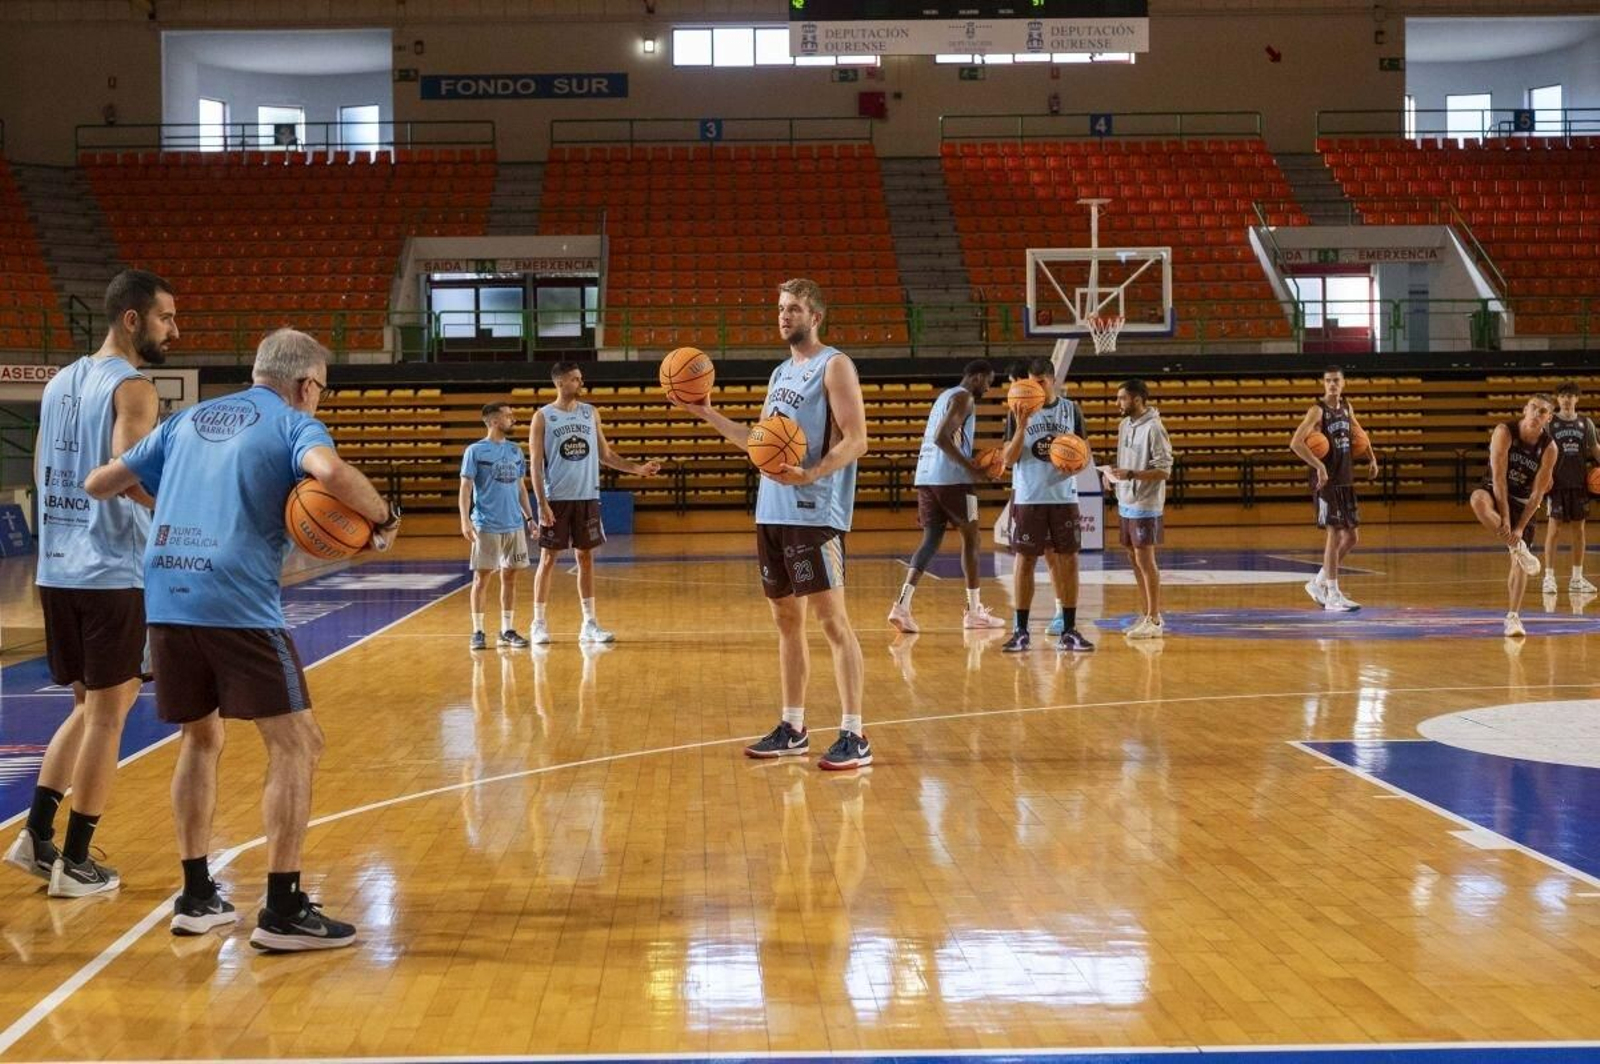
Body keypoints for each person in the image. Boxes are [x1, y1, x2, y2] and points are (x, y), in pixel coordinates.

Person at [85, 328, 401, 949]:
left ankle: (197, 896)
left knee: (201, 738)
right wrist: (384, 520)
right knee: (298, 744)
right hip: (235, 599)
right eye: (323, 390)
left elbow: (101, 482)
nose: (320, 400)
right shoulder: (292, 423)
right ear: (307, 384)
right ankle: (282, 910)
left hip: (167, 592)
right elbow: (330, 473)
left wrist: (174, 504)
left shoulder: (190, 419)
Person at [3, 270, 174, 898]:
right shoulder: (133, 387)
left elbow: (50, 468)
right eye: (165, 318)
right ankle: (76, 862)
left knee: (87, 709)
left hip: (58, 567)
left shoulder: (60, 381)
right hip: (109, 569)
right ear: (132, 319)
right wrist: (179, 509)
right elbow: (125, 474)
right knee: (109, 716)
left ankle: (37, 837)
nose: (173, 330)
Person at [673, 279, 872, 770]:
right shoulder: (782, 372)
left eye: (795, 309)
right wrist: (707, 413)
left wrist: (813, 472)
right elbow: (758, 441)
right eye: (782, 309)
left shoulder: (835, 365)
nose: (785, 316)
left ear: (815, 317)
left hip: (814, 511)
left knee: (833, 622)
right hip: (772, 511)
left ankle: (855, 733)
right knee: (787, 622)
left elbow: (857, 439)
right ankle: (793, 727)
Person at [528, 361, 660, 645]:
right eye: (575, 379)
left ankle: (589, 623)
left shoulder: (590, 413)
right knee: (548, 559)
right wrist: (541, 503)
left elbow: (606, 454)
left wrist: (638, 469)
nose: (581, 382)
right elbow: (536, 466)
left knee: (585, 558)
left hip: (588, 497)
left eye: (580, 377)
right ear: (560, 382)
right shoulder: (543, 417)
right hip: (557, 499)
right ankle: (538, 623)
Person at [888, 359, 1005, 634]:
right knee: (972, 538)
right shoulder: (964, 398)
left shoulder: (945, 395)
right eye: (988, 381)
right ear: (976, 377)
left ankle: (902, 607)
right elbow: (942, 437)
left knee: (930, 540)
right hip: (954, 481)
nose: (988, 388)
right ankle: (974, 611)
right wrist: (972, 467)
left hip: (927, 478)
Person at [999, 357, 1094, 654]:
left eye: (1040, 382)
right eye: (1030, 381)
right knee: (1024, 561)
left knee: (1069, 560)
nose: (1034, 387)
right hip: (1029, 496)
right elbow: (1007, 460)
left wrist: (1076, 465)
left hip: (1063, 497)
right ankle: (1020, 631)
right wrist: (1021, 425)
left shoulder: (1071, 409)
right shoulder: (1017, 409)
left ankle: (1069, 629)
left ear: (1052, 380)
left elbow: (1085, 454)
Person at [1468, 395, 1557, 638]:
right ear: (1525, 409)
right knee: (1477, 500)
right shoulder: (1504, 431)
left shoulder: (1549, 448)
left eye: (1543, 412)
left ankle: (1513, 618)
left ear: (1548, 418)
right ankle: (1518, 546)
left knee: (1519, 564)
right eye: (1533, 408)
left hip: (1524, 501)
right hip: (1496, 491)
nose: (1536, 414)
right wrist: (1506, 522)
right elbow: (1498, 479)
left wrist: (1519, 528)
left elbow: (1538, 494)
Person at [1290, 367, 1377, 612]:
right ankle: (1333, 593)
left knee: (1352, 537)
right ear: (1323, 383)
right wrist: (1318, 466)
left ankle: (1317, 583)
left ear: (1343, 383)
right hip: (1326, 481)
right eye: (1328, 381)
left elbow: (1360, 433)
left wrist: (1372, 458)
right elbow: (1295, 443)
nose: (1332, 385)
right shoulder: (1317, 411)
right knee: (1335, 533)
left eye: (1336, 380)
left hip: (1345, 478)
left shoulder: (1347, 407)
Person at [460, 401, 534, 650]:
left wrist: (530, 518)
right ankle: (478, 631)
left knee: (510, 576)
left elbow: (521, 487)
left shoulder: (515, 451)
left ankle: (507, 629)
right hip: (486, 524)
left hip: (514, 524)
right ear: (493, 421)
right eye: (507, 415)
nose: (513, 418)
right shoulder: (475, 451)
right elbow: (466, 487)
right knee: (481, 579)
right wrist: (465, 519)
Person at [1108, 379, 1173, 639]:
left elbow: (1165, 470)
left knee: (1145, 559)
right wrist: (1113, 475)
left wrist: (1132, 473)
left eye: (1121, 398)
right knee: (1132, 558)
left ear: (1136, 399)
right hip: (1125, 500)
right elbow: (1126, 463)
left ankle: (1155, 618)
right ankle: (1145, 612)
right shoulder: (1125, 425)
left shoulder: (1155, 428)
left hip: (1146, 503)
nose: (1117, 403)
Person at [1540, 381, 1600, 596]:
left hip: (1579, 484)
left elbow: (1595, 450)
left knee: (1579, 531)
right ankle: (1549, 577)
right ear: (1557, 399)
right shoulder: (1549, 423)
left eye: (1571, 395)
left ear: (1577, 399)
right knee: (1553, 530)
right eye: (1563, 395)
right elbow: (1539, 451)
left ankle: (1577, 578)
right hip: (1556, 485)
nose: (1566, 399)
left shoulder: (1586, 424)